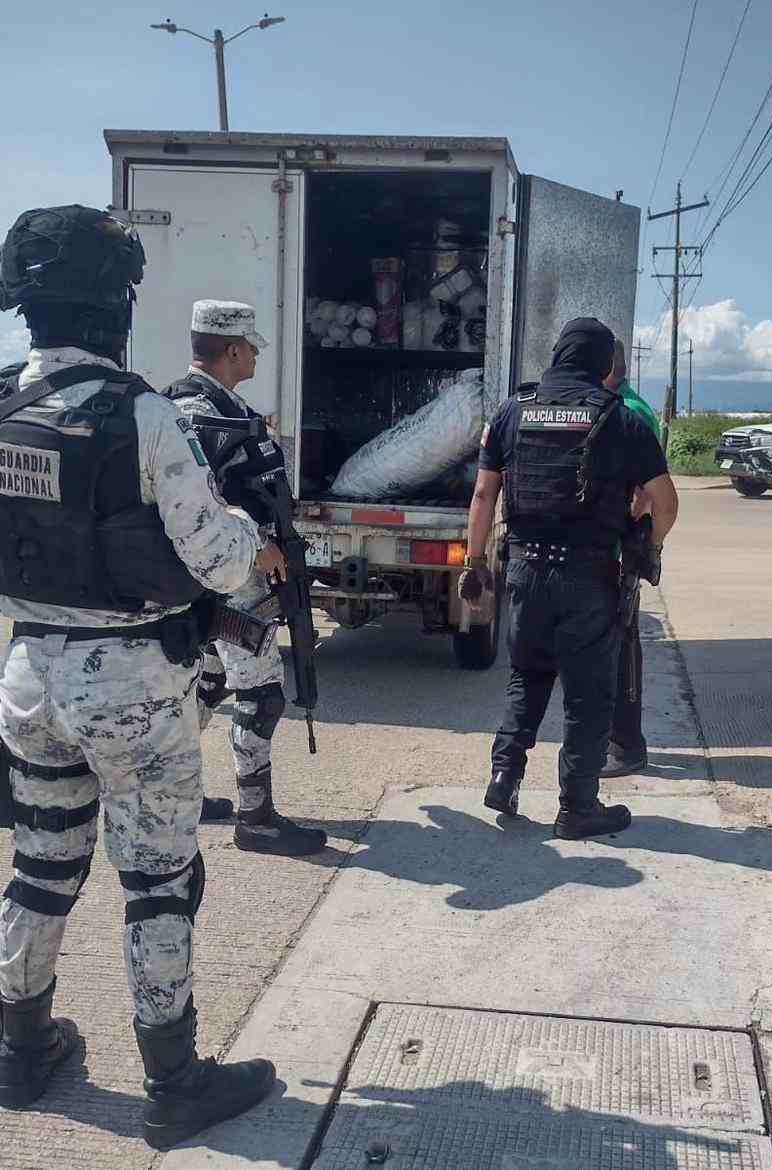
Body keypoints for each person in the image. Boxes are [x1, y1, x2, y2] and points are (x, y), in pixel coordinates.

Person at [0, 206, 277, 1145]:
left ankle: (20, 1053)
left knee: (41, 868)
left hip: (29, 671)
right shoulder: (140, 411)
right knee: (158, 880)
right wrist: (253, 542)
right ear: (115, 303)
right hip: (130, 685)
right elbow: (218, 558)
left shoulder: (1, 400)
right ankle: (175, 1076)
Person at [460, 318, 678, 839]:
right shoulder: (622, 421)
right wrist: (650, 547)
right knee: (587, 692)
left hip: (526, 569)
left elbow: (484, 495)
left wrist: (474, 563)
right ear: (606, 366)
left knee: (527, 675)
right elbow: (667, 504)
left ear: (557, 356)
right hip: (590, 575)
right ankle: (577, 807)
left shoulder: (513, 411)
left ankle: (505, 776)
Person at [163, 301, 326, 857]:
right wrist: (258, 544)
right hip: (233, 577)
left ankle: (175, 794)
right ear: (231, 351)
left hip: (216, 577)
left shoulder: (201, 407)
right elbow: (200, 505)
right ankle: (256, 819)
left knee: (206, 684)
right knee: (261, 694)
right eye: (250, 346)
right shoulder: (204, 415)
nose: (256, 353)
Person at [600, 340, 662, 778]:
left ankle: (627, 744)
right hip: (621, 545)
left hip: (623, 547)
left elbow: (648, 495)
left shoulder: (629, 414)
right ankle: (615, 738)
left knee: (622, 644)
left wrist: (646, 549)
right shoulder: (625, 406)